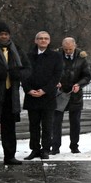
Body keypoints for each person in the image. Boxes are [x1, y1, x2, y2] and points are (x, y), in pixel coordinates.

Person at [0, 22, 30, 165]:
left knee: (9, 127)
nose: (4, 37)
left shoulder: (16, 50)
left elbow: (27, 69)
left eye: (6, 34)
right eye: (1, 34)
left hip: (10, 94)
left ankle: (10, 155)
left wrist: (17, 74)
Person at [23, 31, 61, 160]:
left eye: (46, 38)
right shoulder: (28, 56)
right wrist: (28, 90)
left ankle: (45, 149)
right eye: (40, 38)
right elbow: (23, 75)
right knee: (33, 125)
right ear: (36, 41)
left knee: (47, 126)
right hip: (31, 96)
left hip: (48, 97)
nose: (43, 40)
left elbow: (56, 76)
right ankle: (34, 149)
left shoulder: (55, 56)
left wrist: (44, 90)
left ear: (49, 41)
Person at [52, 37, 91, 154]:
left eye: (70, 49)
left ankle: (74, 146)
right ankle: (55, 147)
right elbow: (51, 72)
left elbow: (87, 76)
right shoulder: (56, 56)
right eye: (66, 49)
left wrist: (79, 84)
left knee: (75, 122)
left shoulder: (81, 57)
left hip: (75, 94)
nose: (68, 51)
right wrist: (56, 81)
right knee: (56, 122)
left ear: (75, 46)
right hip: (60, 93)